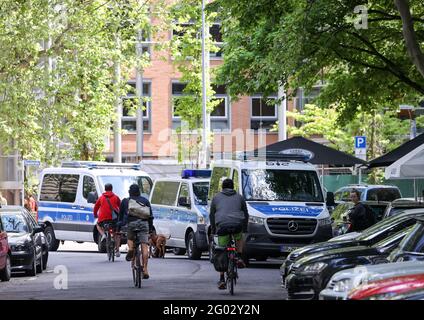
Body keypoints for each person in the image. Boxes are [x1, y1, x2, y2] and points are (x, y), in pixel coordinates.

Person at [210, 178, 249, 290]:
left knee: (222, 251)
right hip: (237, 225)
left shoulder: (216, 197)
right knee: (239, 237)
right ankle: (240, 257)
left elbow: (212, 215)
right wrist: (245, 228)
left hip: (222, 226)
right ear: (233, 187)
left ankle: (222, 279)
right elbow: (245, 214)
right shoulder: (240, 197)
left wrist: (213, 230)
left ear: (222, 187)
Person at [119, 184, 154, 279]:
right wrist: (150, 229)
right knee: (144, 246)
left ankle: (131, 249)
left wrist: (119, 226)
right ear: (139, 191)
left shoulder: (126, 201)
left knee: (130, 238)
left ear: (129, 192)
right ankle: (145, 269)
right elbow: (150, 216)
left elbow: (121, 217)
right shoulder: (145, 201)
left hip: (132, 223)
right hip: (144, 224)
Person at [93, 183, 121, 257]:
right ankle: (117, 251)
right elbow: (120, 206)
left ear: (105, 189)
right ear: (112, 189)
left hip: (103, 219)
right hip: (114, 219)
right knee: (116, 233)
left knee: (97, 225)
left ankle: (103, 235)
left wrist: (95, 214)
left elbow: (96, 207)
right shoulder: (116, 197)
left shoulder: (101, 198)